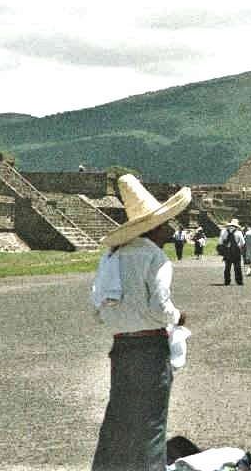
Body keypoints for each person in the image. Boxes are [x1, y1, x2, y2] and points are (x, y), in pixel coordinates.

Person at [90, 174, 190, 471]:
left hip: (122, 347)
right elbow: (159, 306)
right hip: (149, 348)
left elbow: (97, 308)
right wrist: (177, 316)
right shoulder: (155, 258)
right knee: (150, 423)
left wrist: (124, 318)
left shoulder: (112, 258)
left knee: (119, 420)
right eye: (166, 223)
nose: (170, 229)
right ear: (155, 228)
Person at [219, 219, 245, 286]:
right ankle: (239, 281)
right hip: (236, 251)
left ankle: (227, 281)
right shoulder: (239, 232)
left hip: (227, 251)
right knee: (237, 267)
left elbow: (220, 242)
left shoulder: (223, 232)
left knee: (227, 267)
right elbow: (243, 243)